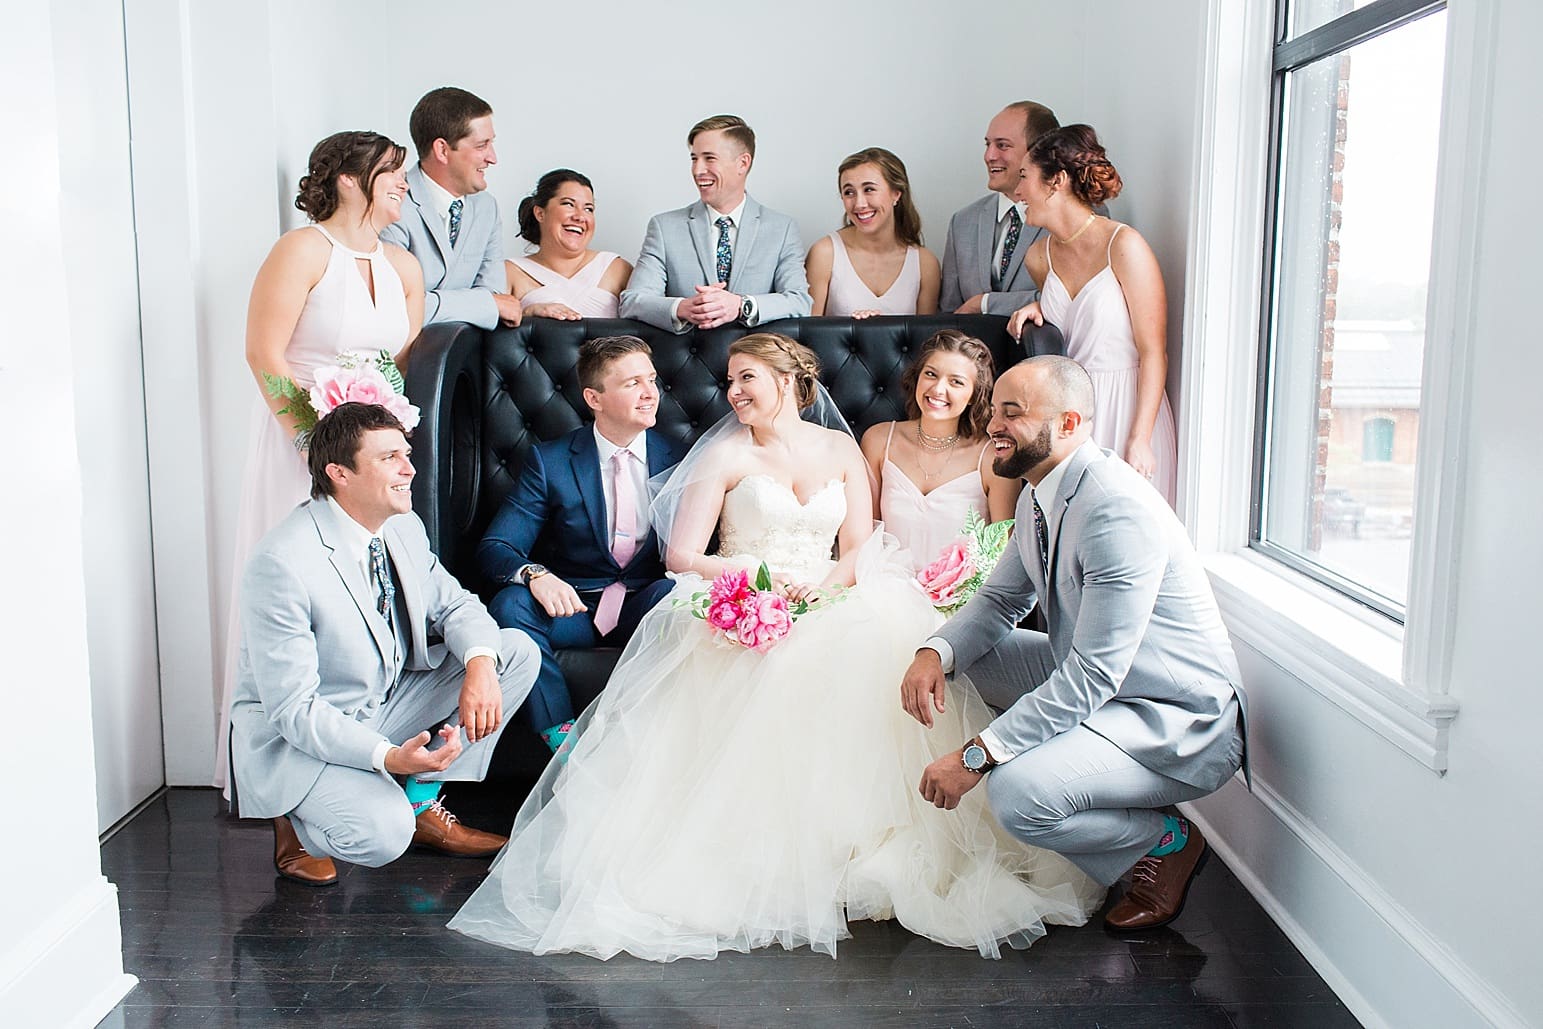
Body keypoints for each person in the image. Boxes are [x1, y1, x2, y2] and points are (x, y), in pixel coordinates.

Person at [449, 334, 1101, 961]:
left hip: (826, 594)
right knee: (767, 660)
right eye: (730, 381)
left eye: (745, 379)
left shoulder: (844, 450)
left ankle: (857, 844)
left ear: (787, 382)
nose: (732, 392)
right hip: (738, 597)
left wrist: (819, 589)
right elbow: (681, 554)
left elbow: (856, 548)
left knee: (872, 647)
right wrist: (754, 585)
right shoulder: (723, 455)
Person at [902, 356, 1248, 932]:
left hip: (1172, 718)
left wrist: (977, 756)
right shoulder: (1041, 489)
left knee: (1016, 794)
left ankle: (1164, 841)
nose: (992, 425)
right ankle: (1079, 769)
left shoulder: (1116, 509)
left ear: (1068, 423)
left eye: (1012, 413)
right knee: (969, 660)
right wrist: (932, 653)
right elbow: (998, 603)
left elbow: (1092, 676)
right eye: (995, 409)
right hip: (1102, 682)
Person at [229, 403, 540, 886]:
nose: (410, 468)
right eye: (389, 457)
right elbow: (293, 710)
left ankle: (420, 798)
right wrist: (388, 757)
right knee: (381, 836)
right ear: (339, 474)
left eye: (407, 453)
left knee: (512, 649)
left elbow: (457, 606)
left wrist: (479, 668)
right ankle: (294, 817)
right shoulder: (282, 563)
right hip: (308, 732)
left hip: (387, 698)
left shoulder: (402, 526)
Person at [214, 130, 425, 790]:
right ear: (347, 178)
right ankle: (279, 788)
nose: (403, 182)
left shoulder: (405, 266)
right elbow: (264, 353)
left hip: (375, 459)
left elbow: (398, 368)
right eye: (391, 171)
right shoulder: (302, 250)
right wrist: (315, 444)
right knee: (299, 605)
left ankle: (382, 770)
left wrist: (384, 448)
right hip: (298, 449)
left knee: (379, 604)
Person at [477, 336, 684, 754]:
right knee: (510, 605)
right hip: (574, 608)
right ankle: (561, 736)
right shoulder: (550, 462)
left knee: (678, 594)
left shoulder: (680, 458)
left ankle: (643, 736)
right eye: (632, 384)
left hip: (644, 603)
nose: (650, 394)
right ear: (595, 397)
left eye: (652, 380)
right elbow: (496, 546)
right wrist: (536, 575)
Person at [1005, 125, 1178, 502]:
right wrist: (1040, 306)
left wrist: (1141, 437)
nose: (1017, 192)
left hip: (1128, 402)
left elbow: (1154, 351)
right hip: (1072, 413)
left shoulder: (1124, 244)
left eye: (1024, 177)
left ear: (1057, 182)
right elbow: (1070, 314)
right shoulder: (1039, 257)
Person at [619, 115, 811, 332]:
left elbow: (799, 301)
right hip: (684, 356)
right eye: (694, 159)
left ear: (742, 163)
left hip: (759, 359)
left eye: (709, 158)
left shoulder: (782, 229)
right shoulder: (664, 227)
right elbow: (632, 301)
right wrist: (682, 308)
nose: (697, 170)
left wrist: (740, 305)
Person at [859, 330, 1019, 570]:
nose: (937, 389)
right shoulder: (879, 440)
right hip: (885, 586)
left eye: (956, 382)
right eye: (931, 375)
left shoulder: (992, 457)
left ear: (974, 395)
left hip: (961, 598)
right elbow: (865, 531)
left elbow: (1004, 552)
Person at [380, 86, 522, 329]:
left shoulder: (487, 207)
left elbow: (496, 297)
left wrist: (432, 302)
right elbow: (395, 306)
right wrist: (483, 304)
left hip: (465, 355)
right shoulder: (393, 203)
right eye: (481, 145)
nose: (492, 157)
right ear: (442, 150)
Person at [939, 101, 1061, 315]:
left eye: (1002, 145)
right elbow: (950, 313)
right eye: (987, 144)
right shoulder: (962, 222)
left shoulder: (1074, 216)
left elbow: (1070, 297)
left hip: (1044, 348)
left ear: (1038, 153)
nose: (989, 156)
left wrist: (984, 303)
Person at [807, 147, 940, 318]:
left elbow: (926, 340)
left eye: (869, 189)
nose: (859, 204)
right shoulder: (824, 254)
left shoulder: (926, 263)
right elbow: (808, 335)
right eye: (849, 192)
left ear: (896, 193)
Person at [505, 169, 632, 320]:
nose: (580, 217)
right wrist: (527, 313)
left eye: (588, 209)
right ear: (540, 213)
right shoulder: (510, 272)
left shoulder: (617, 269)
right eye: (568, 204)